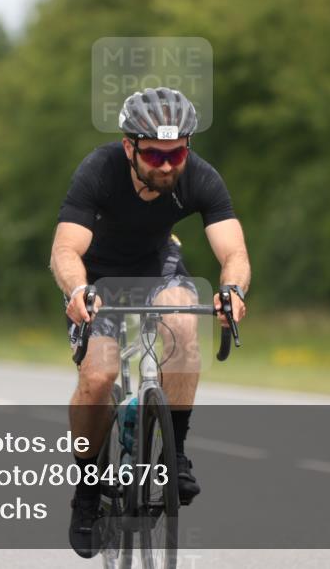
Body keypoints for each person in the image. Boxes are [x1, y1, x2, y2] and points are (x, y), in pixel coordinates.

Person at [49, 87, 250, 558]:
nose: (166, 165)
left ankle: (174, 454)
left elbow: (234, 252)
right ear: (129, 147)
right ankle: (85, 493)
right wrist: (77, 291)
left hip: (158, 266)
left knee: (182, 322)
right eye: (155, 154)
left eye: (176, 152)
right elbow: (65, 250)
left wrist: (233, 290)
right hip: (99, 278)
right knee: (97, 376)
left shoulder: (198, 176)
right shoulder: (99, 171)